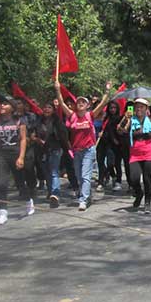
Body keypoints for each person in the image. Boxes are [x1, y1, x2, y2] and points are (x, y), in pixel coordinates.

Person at [54, 80, 112, 211]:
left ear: (87, 106)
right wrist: (57, 90)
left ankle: (83, 199)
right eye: (78, 102)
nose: (80, 104)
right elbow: (62, 104)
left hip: (88, 150)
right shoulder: (72, 116)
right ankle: (88, 195)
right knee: (79, 176)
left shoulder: (90, 115)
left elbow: (103, 103)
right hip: (76, 151)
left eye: (83, 102)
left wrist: (107, 90)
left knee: (86, 176)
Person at [117, 98, 151, 213]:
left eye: (142, 107)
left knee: (147, 178)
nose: (139, 109)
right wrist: (126, 118)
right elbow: (120, 130)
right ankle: (139, 193)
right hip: (135, 153)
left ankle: (147, 202)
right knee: (134, 178)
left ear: (146, 109)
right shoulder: (130, 120)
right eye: (137, 107)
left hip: (149, 152)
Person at [0, 96, 28, 224]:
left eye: (5, 104)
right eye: (1, 104)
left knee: (20, 182)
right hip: (1, 154)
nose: (2, 106)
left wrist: (21, 157)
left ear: (12, 108)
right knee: (1, 183)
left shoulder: (19, 121)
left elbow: (23, 139)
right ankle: (3, 212)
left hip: (15, 153)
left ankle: (28, 200)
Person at [35, 100, 68, 208]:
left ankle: (55, 194)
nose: (46, 109)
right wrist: (37, 139)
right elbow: (32, 133)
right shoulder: (39, 121)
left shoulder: (57, 122)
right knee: (47, 173)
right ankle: (50, 191)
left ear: (53, 110)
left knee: (54, 172)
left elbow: (63, 135)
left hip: (55, 149)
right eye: (45, 107)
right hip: (42, 150)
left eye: (49, 107)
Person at [97, 101, 123, 192]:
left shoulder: (120, 118)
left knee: (111, 163)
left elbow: (120, 131)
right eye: (111, 108)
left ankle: (116, 178)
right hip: (102, 142)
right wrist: (100, 132)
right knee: (100, 162)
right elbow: (103, 128)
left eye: (114, 108)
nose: (112, 110)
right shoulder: (106, 118)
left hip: (113, 144)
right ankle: (101, 181)